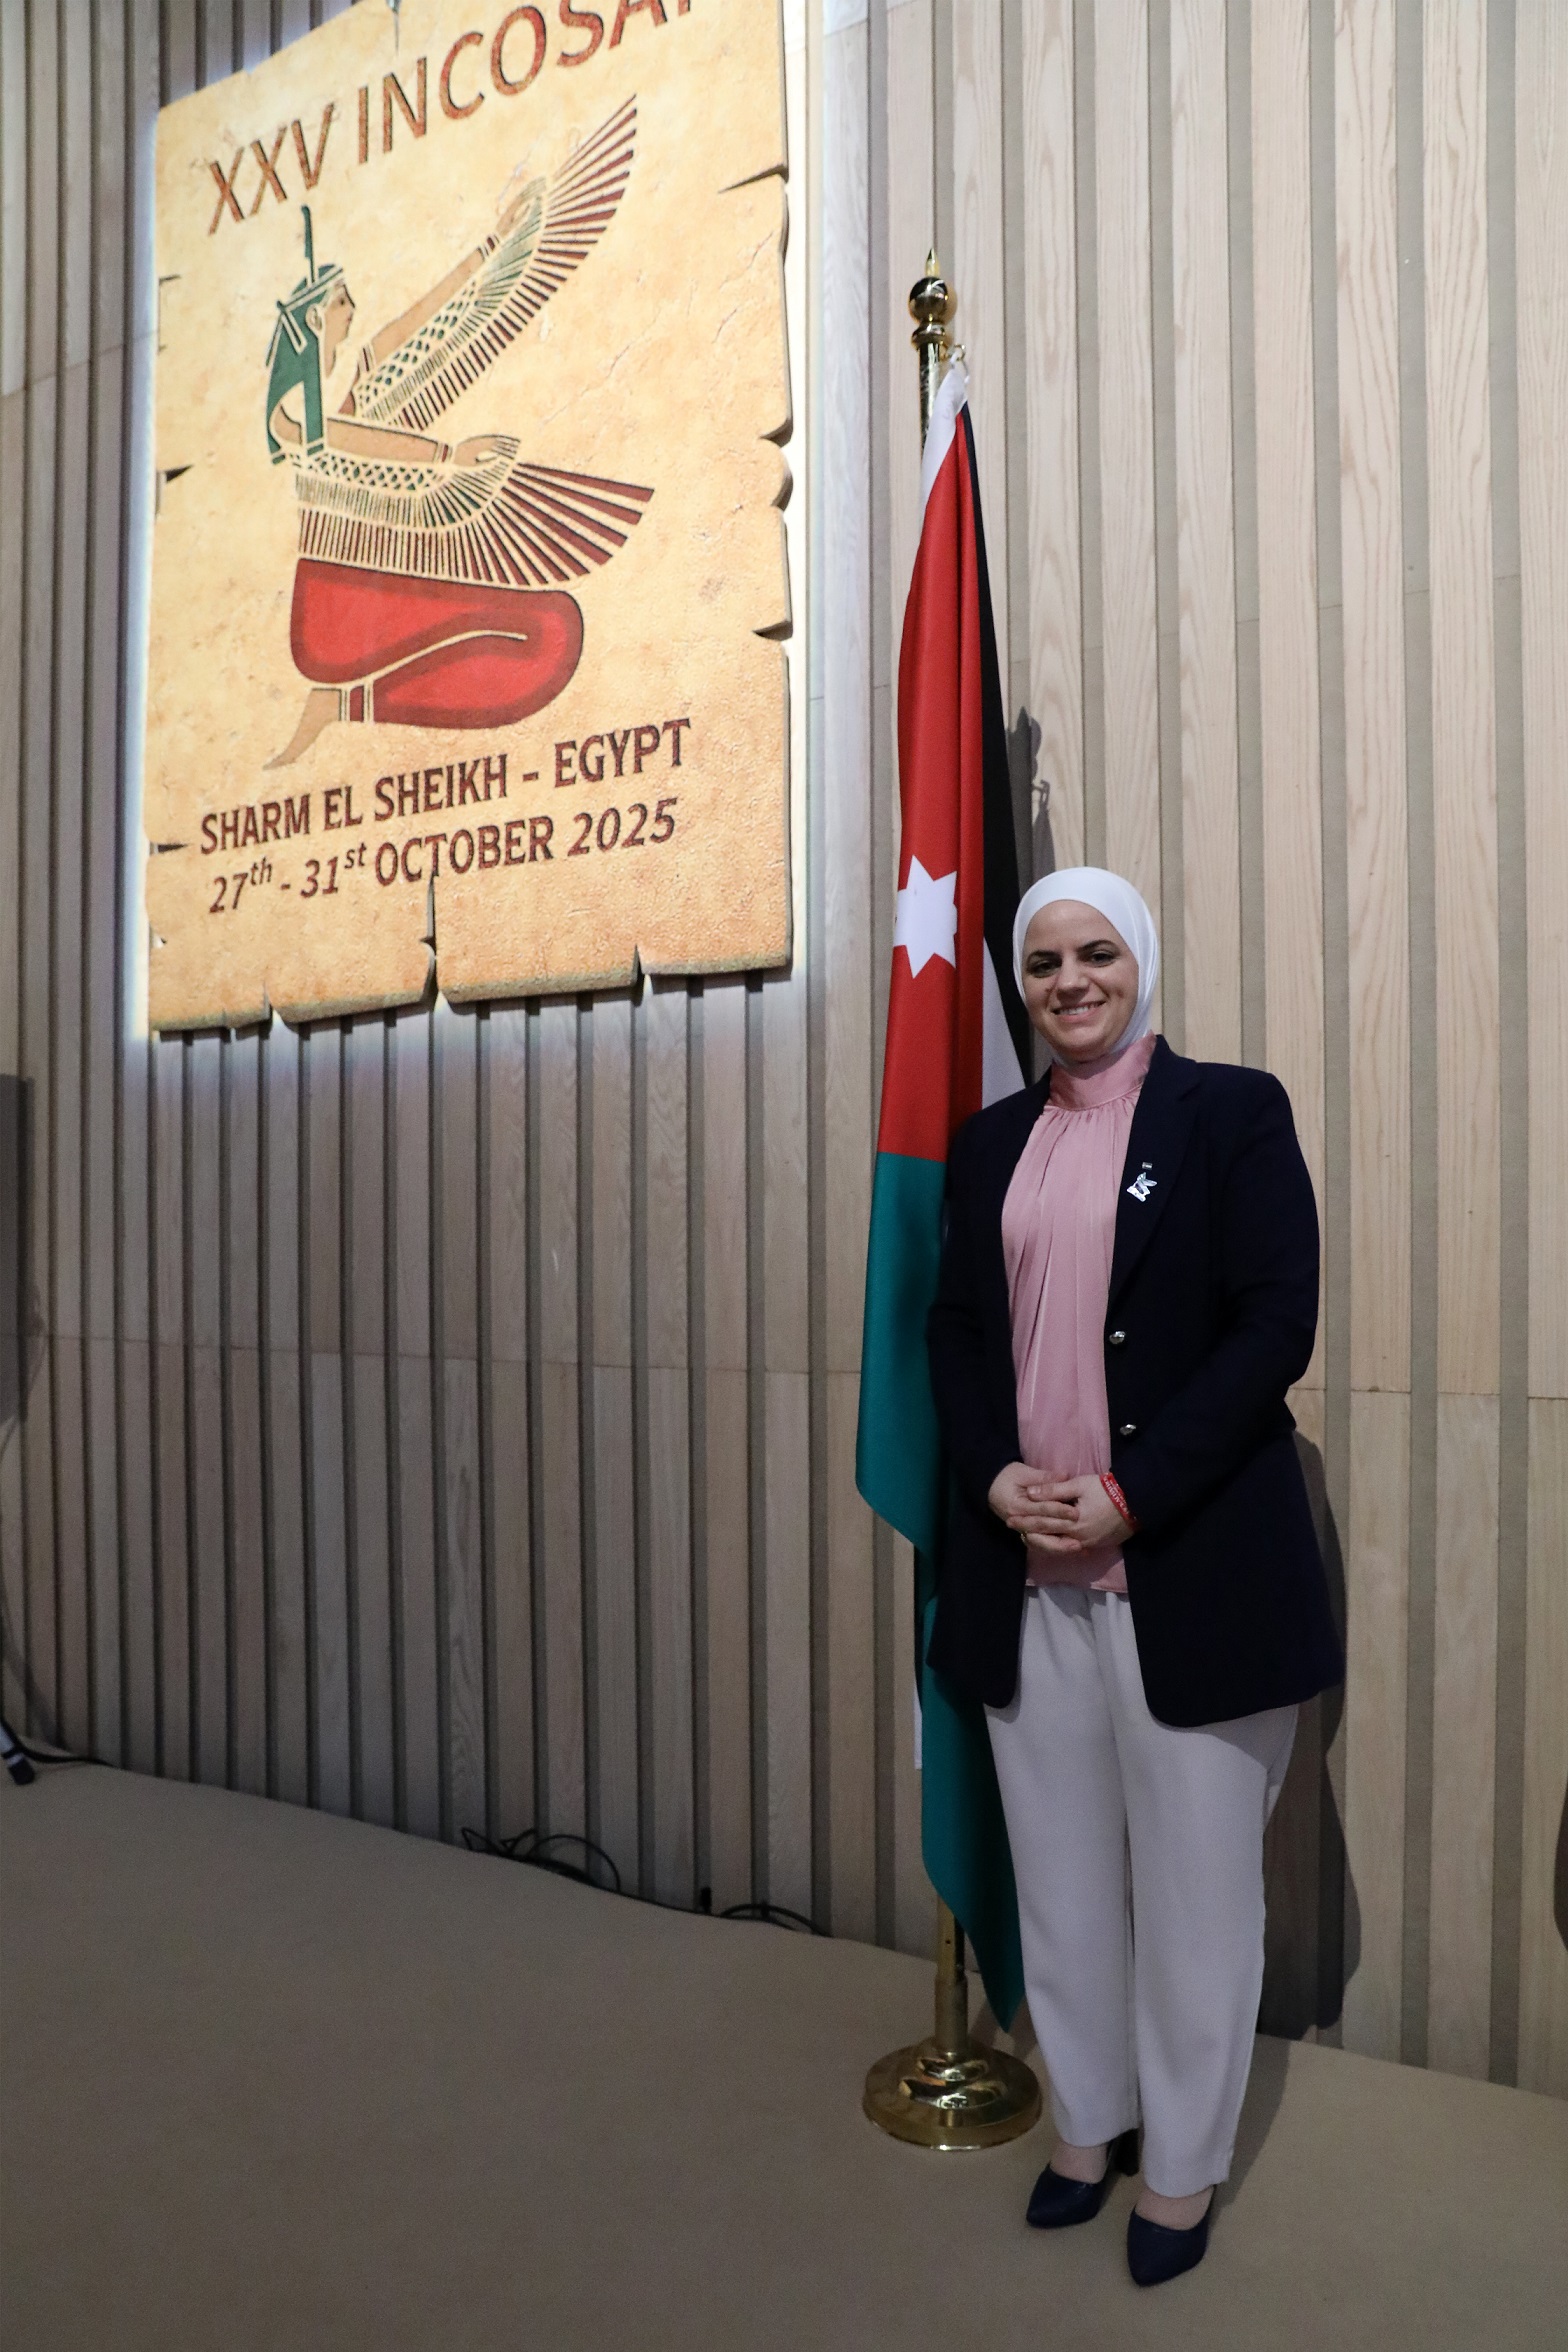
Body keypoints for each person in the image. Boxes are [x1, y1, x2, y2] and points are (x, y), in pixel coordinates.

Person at [925, 867, 1342, 2288]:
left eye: (1096, 953)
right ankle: (1088, 2123)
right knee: (1061, 1881)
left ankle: (1181, 2165)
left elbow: (1273, 1325)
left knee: (1195, 1900)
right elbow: (957, 1333)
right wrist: (994, 1475)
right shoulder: (988, 1144)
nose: (1071, 982)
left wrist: (1130, 1491)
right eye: (1044, 962)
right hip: (1024, 1570)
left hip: (1186, 1572)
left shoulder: (1232, 1113)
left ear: (1140, 961)